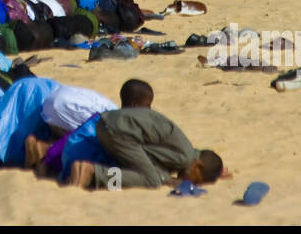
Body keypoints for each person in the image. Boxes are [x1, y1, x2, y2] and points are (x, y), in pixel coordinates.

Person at [66, 79, 223, 190]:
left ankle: (92, 173)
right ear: (198, 167)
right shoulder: (185, 157)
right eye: (196, 180)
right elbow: (150, 161)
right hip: (119, 131)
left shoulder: (183, 149)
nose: (190, 183)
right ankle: (94, 173)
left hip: (105, 123)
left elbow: (149, 160)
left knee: (147, 174)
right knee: (151, 181)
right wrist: (163, 179)